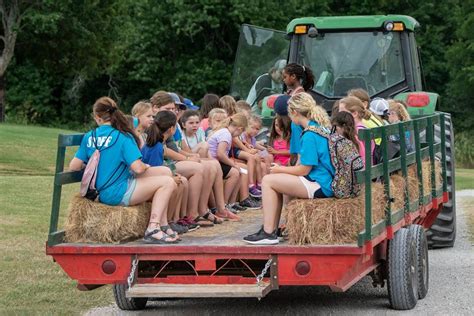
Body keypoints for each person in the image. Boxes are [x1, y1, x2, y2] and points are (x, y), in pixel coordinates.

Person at [69, 97, 179, 244]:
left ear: (97, 117)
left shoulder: (90, 136)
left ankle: (163, 224)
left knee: (165, 172)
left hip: (100, 192)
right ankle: (153, 228)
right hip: (117, 192)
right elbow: (138, 168)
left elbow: (74, 166)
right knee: (167, 182)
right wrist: (145, 166)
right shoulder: (123, 136)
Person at [244, 93, 335, 245]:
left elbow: (304, 170)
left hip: (320, 184)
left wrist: (280, 169)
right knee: (274, 183)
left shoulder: (309, 135)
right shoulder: (320, 127)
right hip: (323, 180)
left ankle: (268, 232)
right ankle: (271, 230)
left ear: (294, 112)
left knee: (267, 180)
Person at [150, 91, 223, 227]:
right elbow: (165, 151)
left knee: (211, 165)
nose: (172, 111)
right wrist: (188, 158)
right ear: (155, 108)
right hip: (160, 166)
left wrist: (189, 156)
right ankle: (192, 214)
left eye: (174, 109)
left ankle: (206, 209)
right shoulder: (157, 124)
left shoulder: (169, 123)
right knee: (198, 168)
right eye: (168, 109)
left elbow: (174, 148)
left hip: (167, 163)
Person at [141, 111, 195, 235]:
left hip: (150, 179)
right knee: (176, 185)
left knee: (180, 181)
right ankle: (164, 222)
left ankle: (171, 220)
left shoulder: (157, 143)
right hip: (148, 181)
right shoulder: (156, 147)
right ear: (171, 129)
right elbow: (155, 171)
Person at [207, 113, 260, 219]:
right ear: (240, 129)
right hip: (213, 163)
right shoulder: (225, 134)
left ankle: (231, 203)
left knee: (242, 169)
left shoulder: (227, 132)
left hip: (218, 162)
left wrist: (234, 164)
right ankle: (223, 205)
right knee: (235, 172)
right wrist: (233, 164)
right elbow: (220, 154)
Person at [338, 96, 375, 166]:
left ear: (354, 114)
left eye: (342, 113)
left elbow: (362, 157)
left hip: (361, 172)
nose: (339, 116)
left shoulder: (355, 132)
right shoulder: (364, 128)